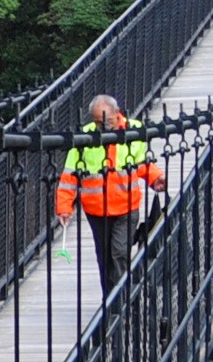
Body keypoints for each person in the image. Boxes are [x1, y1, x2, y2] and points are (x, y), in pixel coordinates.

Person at [58, 95, 164, 291]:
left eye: (106, 120)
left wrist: (155, 177)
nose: (102, 126)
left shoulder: (134, 130)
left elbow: (140, 163)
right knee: (105, 256)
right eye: (98, 121)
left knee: (119, 253)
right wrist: (65, 207)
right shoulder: (85, 136)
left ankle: (120, 303)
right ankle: (110, 300)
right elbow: (70, 175)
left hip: (126, 205)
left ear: (117, 113)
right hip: (97, 209)